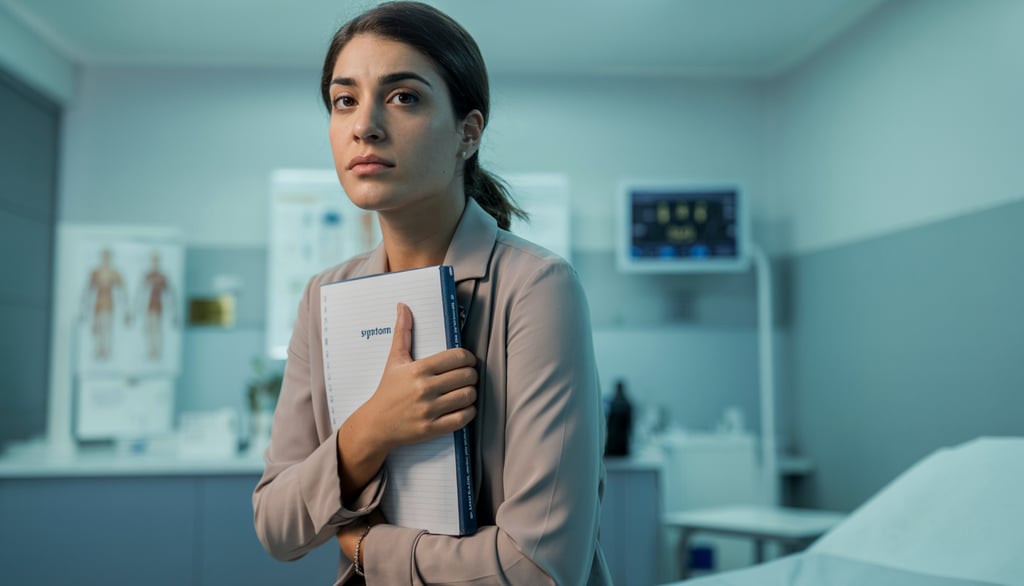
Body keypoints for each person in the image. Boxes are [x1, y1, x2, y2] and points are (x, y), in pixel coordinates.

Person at [252, 3, 609, 584]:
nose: (364, 124)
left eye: (403, 97)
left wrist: (368, 548)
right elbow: (275, 525)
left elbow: (539, 568)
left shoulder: (536, 288)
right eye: (345, 100)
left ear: (468, 133)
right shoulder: (325, 295)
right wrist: (372, 429)